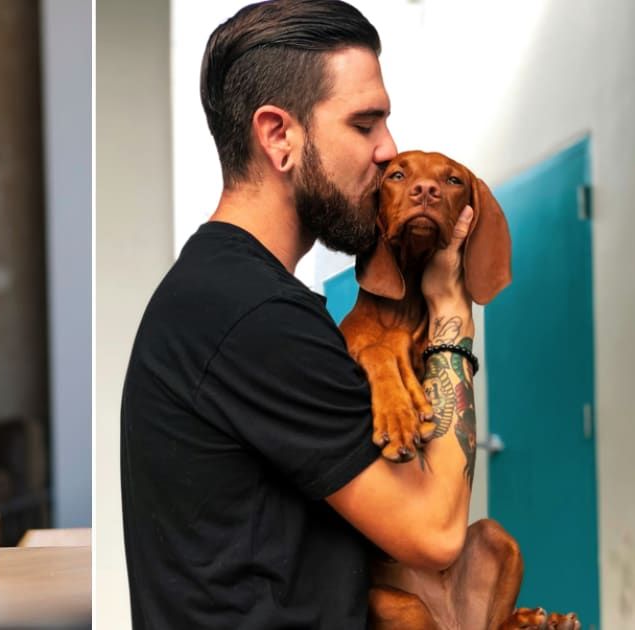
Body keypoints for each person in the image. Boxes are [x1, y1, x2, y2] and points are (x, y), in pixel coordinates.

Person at [120, 1, 477, 627]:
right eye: (365, 124)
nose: (387, 151)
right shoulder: (256, 316)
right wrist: (451, 320)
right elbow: (436, 531)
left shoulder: (217, 290)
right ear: (278, 136)